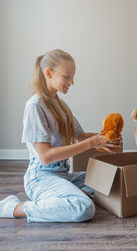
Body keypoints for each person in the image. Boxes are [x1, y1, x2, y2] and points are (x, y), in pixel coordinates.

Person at [0, 49, 121, 222]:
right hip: (41, 177)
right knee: (83, 208)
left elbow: (82, 135)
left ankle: (60, 197)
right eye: (67, 77)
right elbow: (46, 156)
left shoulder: (60, 104)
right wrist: (91, 143)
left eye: (72, 76)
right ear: (49, 73)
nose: (72, 82)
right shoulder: (35, 107)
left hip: (62, 173)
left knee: (111, 183)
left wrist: (106, 139)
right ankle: (15, 207)